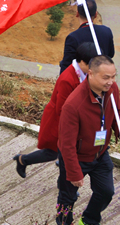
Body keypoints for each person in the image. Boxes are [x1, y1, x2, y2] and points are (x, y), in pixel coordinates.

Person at [56, 55, 120, 225]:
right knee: (68, 196)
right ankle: (64, 224)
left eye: (113, 76)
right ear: (90, 74)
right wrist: (74, 172)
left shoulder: (112, 90)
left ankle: (90, 219)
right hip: (77, 157)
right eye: (106, 77)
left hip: (100, 153)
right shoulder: (73, 105)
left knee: (106, 191)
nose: (111, 81)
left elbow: (117, 111)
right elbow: (66, 144)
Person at [14, 42, 98, 178]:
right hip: (59, 121)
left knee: (56, 153)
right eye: (91, 65)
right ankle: (65, 186)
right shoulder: (68, 79)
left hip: (71, 121)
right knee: (57, 153)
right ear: (82, 61)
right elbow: (62, 109)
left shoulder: (83, 74)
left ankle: (23, 160)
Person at [58, 0, 115, 74]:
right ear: (96, 14)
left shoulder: (73, 37)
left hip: (82, 79)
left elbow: (66, 66)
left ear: (77, 13)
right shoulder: (107, 31)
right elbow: (111, 54)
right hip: (103, 77)